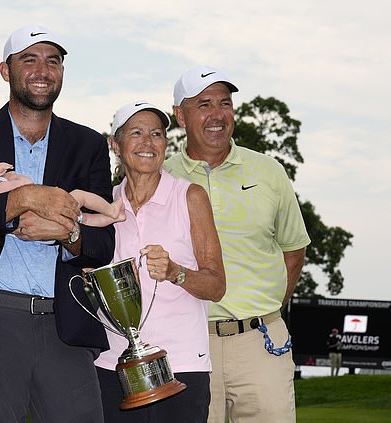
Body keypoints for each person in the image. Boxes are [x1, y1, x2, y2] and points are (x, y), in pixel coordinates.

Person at [0, 25, 115, 422]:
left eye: (53, 61)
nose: (42, 70)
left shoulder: (87, 144)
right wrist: (25, 198)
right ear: (5, 70)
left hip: (65, 325)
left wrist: (70, 233)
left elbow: (104, 246)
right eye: (29, 59)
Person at [164, 66, 311, 423]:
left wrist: (266, 309)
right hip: (188, 345)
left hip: (261, 341)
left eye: (224, 104)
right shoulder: (161, 177)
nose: (217, 115)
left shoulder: (269, 171)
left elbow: (294, 250)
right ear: (180, 116)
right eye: (204, 104)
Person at [95, 101, 226, 422]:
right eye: (136, 133)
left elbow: (217, 285)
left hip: (181, 363)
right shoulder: (102, 203)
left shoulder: (190, 196)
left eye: (156, 134)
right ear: (116, 144)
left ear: (166, 144)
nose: (147, 143)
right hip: (113, 361)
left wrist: (175, 272)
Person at [0, 153, 125, 226]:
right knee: (80, 198)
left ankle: (112, 218)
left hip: (47, 222)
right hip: (49, 213)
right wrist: (8, 176)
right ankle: (111, 211)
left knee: (83, 219)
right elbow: (25, 185)